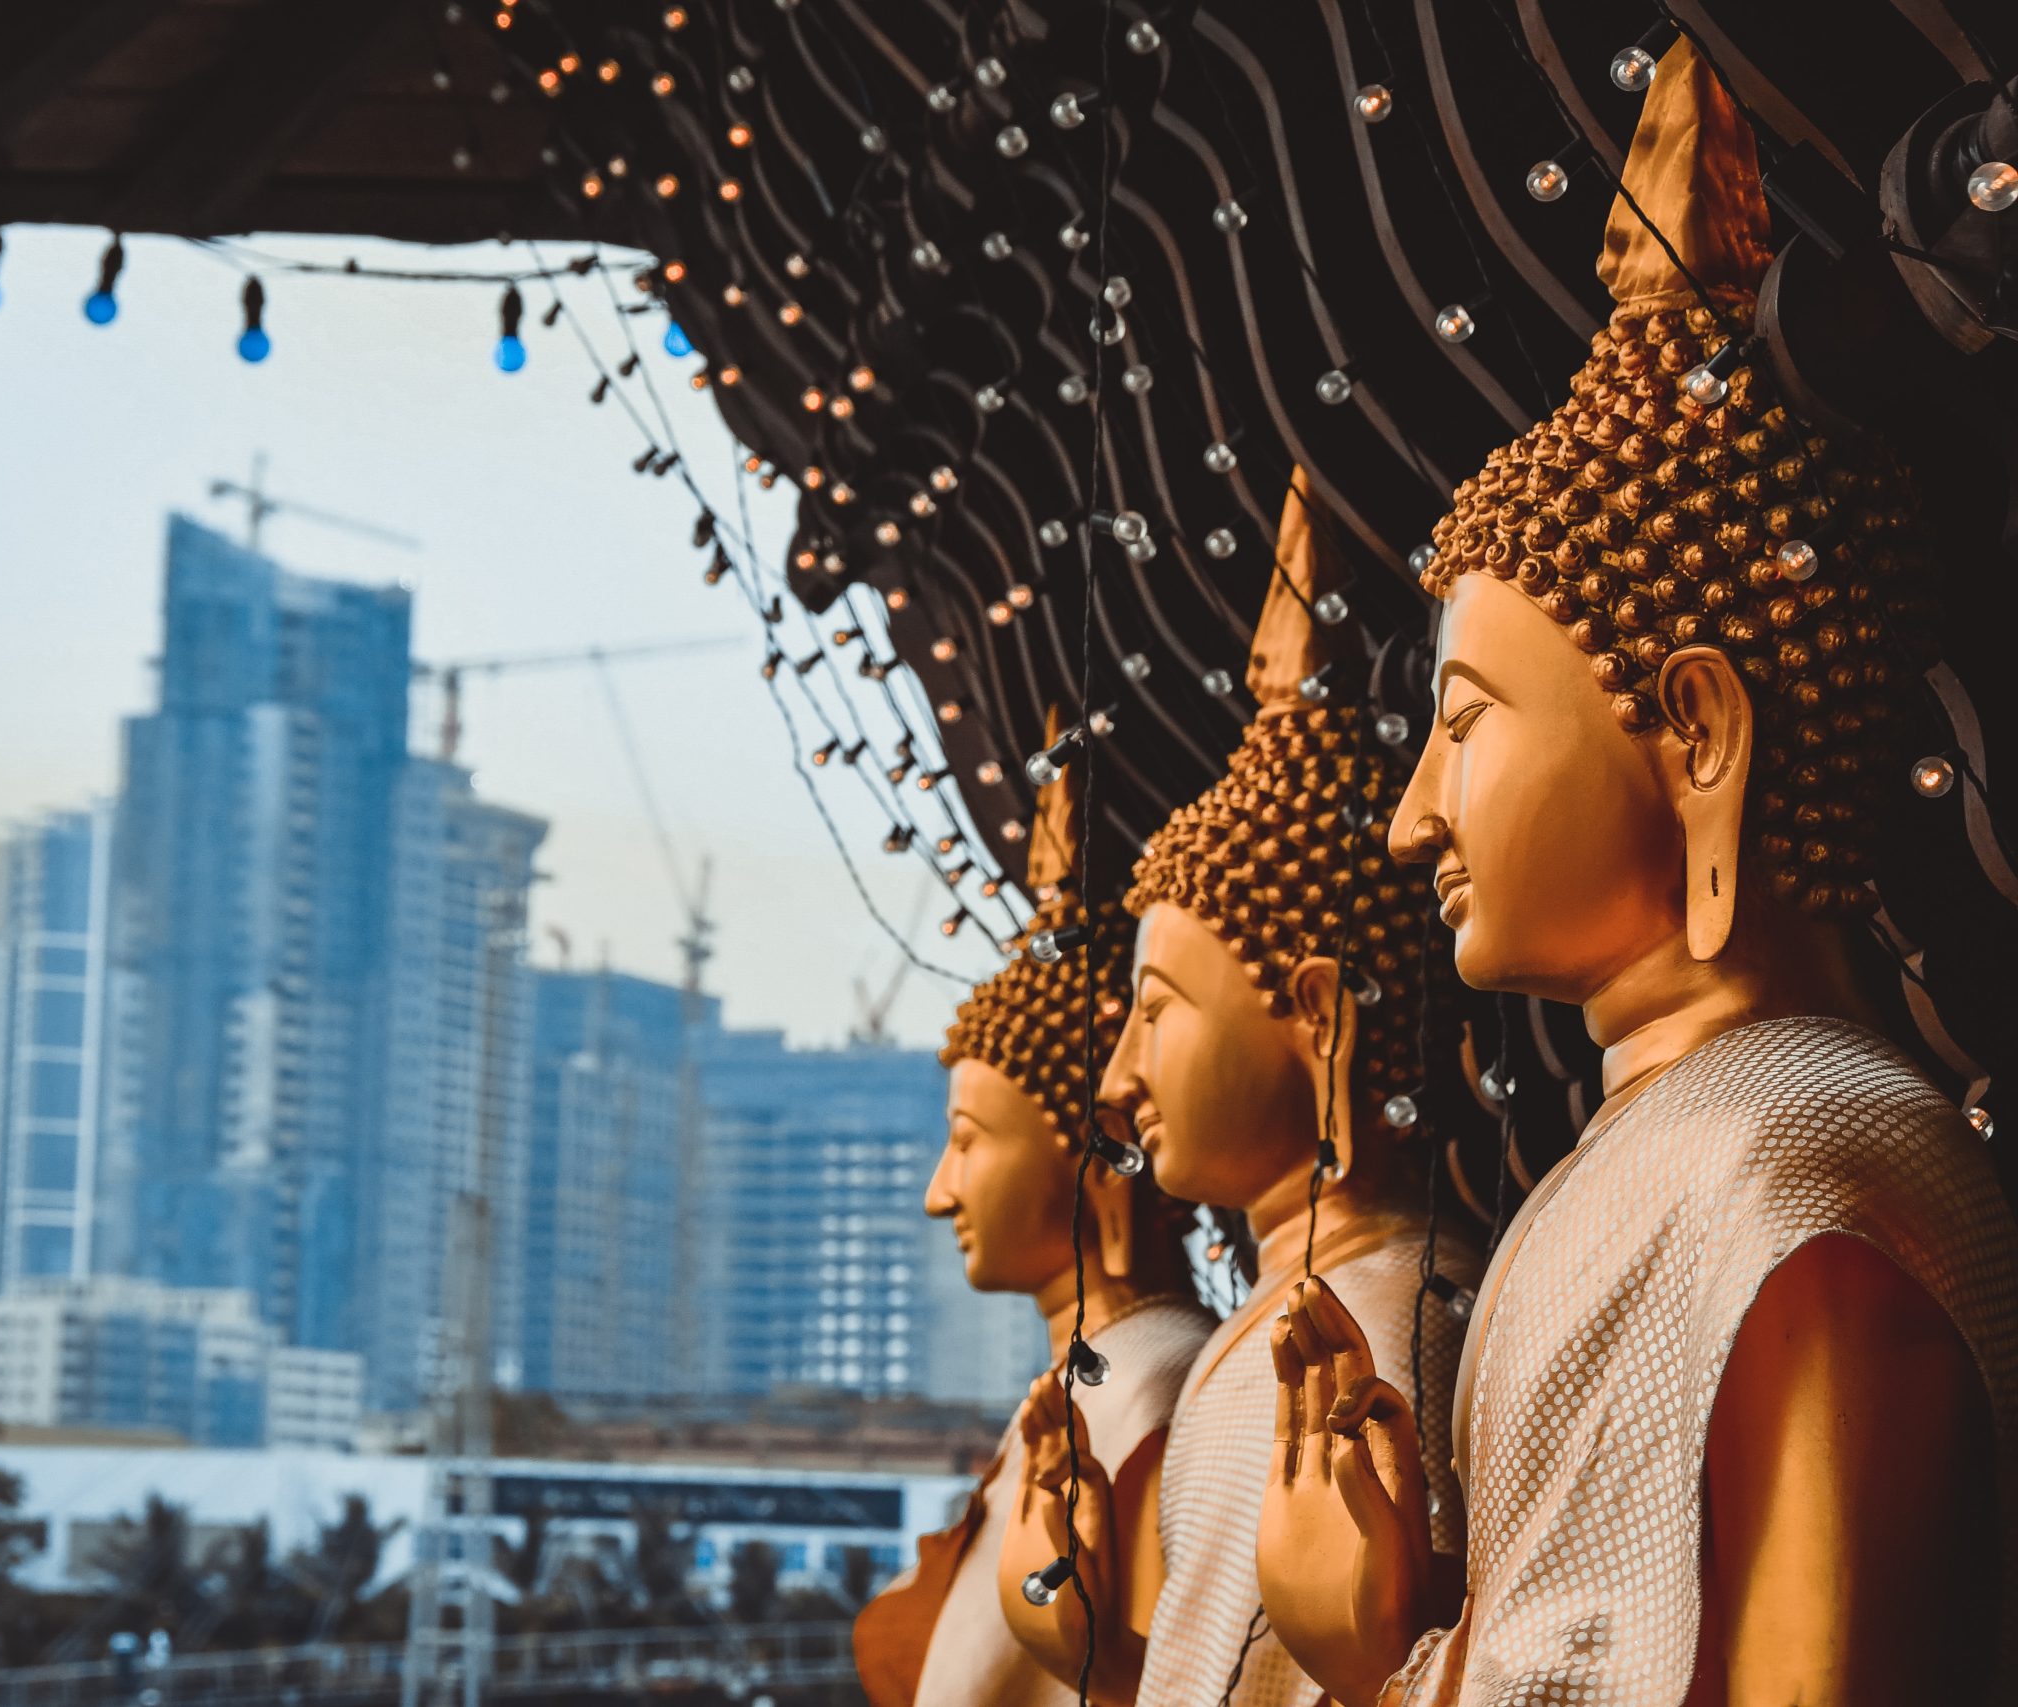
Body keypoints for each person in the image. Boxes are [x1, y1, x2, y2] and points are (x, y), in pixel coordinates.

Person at [1254, 44, 2018, 1707]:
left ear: (1696, 732)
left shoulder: (1803, 1188)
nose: (1410, 817)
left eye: (1464, 727)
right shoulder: (1669, 1165)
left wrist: (1368, 1665)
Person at [1014, 478, 1483, 1707]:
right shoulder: (1270, 1330)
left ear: (1317, 1016)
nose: (1117, 1083)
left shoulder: (1380, 1330)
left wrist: (1372, 1660)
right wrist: (1085, 1648)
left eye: (1155, 1013)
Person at [855, 739, 1216, 1707]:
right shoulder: (1082, 1388)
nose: (940, 1190)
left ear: (1099, 1157)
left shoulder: (1155, 1389)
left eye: (968, 1141)